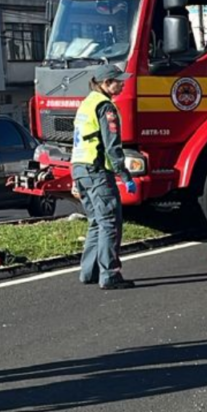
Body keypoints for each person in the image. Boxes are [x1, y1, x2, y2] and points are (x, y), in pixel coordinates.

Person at [71, 63, 136, 290]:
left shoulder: (86, 104)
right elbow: (111, 145)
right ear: (106, 83)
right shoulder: (105, 106)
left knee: (96, 222)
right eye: (119, 80)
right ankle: (110, 274)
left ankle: (89, 272)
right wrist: (124, 174)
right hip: (97, 171)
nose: (123, 84)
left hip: (80, 168)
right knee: (110, 222)